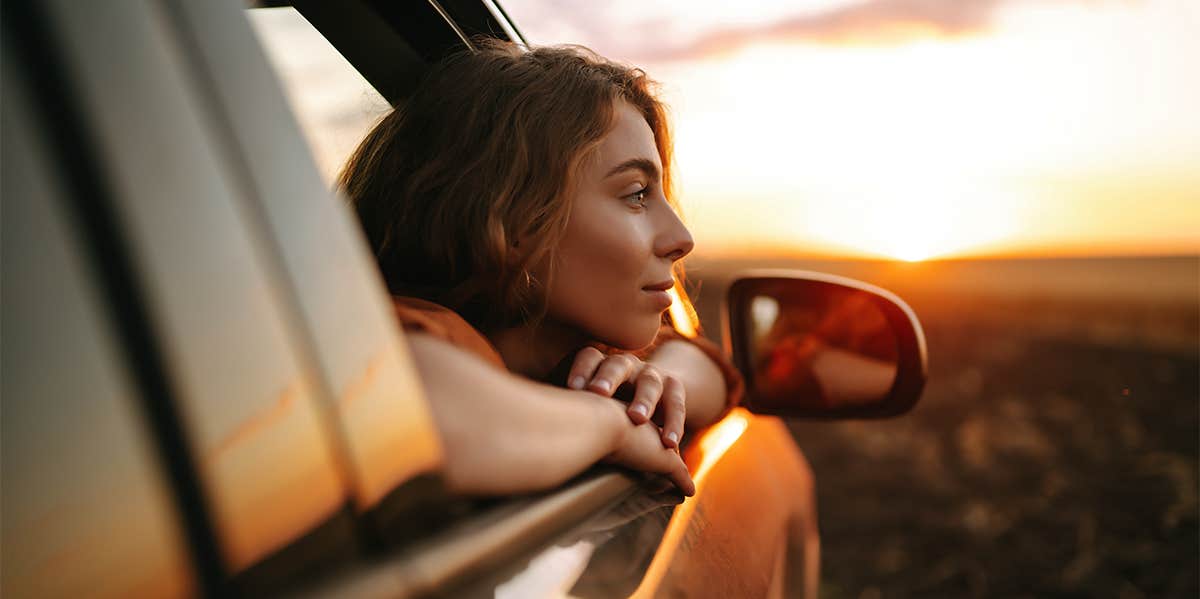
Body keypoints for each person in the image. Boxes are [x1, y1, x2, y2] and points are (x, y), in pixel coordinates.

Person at [340, 39, 743, 497]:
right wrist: (612, 425)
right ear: (511, 221)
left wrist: (663, 386)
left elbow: (709, 367)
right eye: (636, 194)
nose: (682, 239)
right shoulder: (427, 333)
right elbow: (413, 414)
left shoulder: (573, 356)